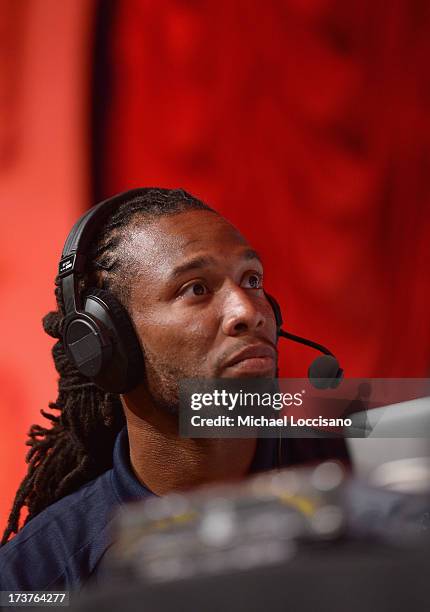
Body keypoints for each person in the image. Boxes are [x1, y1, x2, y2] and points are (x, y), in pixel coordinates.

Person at [0, 188, 348, 591]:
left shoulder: (365, 480)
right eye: (196, 288)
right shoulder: (35, 578)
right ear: (108, 341)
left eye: (251, 280)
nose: (248, 312)